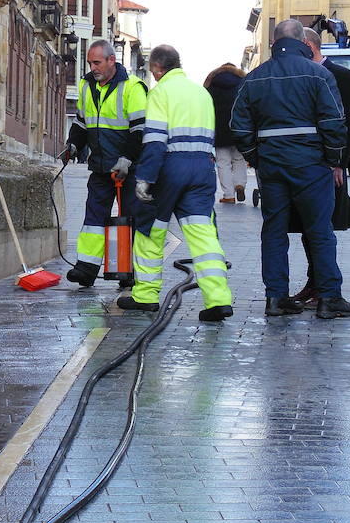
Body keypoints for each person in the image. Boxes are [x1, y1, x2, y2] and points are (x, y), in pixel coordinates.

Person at [231, 19, 350, 320]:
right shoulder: (319, 74)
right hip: (311, 164)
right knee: (320, 230)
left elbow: (238, 126)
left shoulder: (254, 78)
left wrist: (257, 156)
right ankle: (329, 297)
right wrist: (333, 159)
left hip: (272, 165)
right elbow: (333, 122)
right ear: (304, 42)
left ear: (275, 44)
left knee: (274, 231)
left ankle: (276, 298)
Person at [119, 45, 233, 321]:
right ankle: (218, 299)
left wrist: (145, 178)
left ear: (157, 68)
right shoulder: (201, 92)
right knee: (203, 234)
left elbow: (156, 140)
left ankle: (145, 296)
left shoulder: (161, 92)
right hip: (204, 167)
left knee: (150, 231)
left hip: (171, 167)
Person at [63, 40, 151, 287]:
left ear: (112, 60)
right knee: (93, 218)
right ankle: (86, 268)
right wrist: (73, 145)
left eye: (97, 62)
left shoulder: (133, 87)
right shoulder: (86, 85)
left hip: (128, 168)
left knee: (130, 219)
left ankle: (128, 270)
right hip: (101, 166)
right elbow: (81, 122)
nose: (93, 68)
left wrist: (127, 159)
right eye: (90, 63)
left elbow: (140, 129)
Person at [288, 28, 350, 309]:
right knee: (308, 227)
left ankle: (323, 287)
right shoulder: (303, 74)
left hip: (329, 165)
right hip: (305, 165)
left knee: (321, 228)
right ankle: (315, 282)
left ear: (307, 45)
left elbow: (349, 123)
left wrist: (339, 163)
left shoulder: (341, 75)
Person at [205, 62, 246, 203]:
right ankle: (240, 184)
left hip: (220, 128)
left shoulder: (211, 84)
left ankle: (228, 195)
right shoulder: (242, 83)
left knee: (223, 162)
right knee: (239, 159)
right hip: (239, 127)